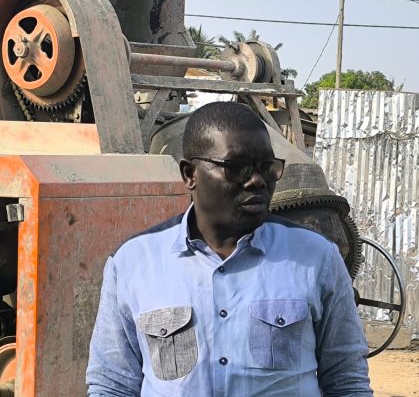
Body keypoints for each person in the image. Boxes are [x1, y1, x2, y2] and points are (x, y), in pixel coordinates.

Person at [86, 101, 373, 396]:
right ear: (190, 174)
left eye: (267, 167)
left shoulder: (316, 258)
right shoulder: (133, 264)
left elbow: (346, 380)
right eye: (238, 168)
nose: (257, 181)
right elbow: (112, 385)